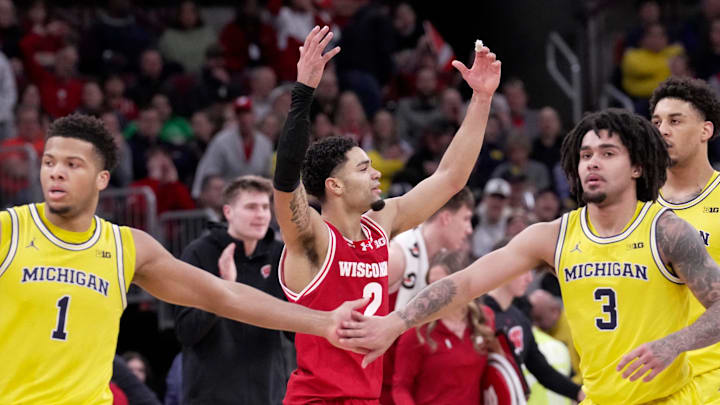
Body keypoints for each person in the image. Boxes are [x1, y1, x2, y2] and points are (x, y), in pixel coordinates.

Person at [339, 108, 720, 405]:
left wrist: (674, 344)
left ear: (637, 165)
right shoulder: (552, 236)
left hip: (668, 397)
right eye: (586, 154)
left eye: (608, 153)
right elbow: (467, 282)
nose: (593, 163)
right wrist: (396, 321)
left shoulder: (666, 230)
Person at [0, 113, 368, 404]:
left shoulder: (128, 247)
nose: (56, 171)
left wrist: (323, 322)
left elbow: (225, 296)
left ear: (102, 178)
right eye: (49, 162)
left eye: (72, 164)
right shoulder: (9, 230)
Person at [274, 26, 500, 403]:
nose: (377, 172)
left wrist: (481, 98)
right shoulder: (311, 237)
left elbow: (450, 178)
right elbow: (285, 180)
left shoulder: (381, 225)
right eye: (363, 169)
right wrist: (305, 91)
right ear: (335, 186)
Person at [175, 175, 289, 404]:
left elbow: (294, 330)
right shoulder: (198, 253)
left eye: (265, 207)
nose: (261, 214)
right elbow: (186, 331)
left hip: (268, 395)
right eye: (251, 207)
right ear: (228, 212)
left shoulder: (281, 254)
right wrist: (223, 288)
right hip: (210, 396)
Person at [650, 76, 720, 405]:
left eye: (675, 121)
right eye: (656, 121)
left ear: (706, 130)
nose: (662, 130)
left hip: (712, 378)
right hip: (655, 378)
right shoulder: (636, 205)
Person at [392, 250, 496, 404]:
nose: (434, 295)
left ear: (463, 284)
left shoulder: (484, 320)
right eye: (430, 286)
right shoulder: (416, 332)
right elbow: (401, 387)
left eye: (441, 286)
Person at [483, 240, 582, 402]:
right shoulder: (477, 316)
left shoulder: (520, 319)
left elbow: (541, 369)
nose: (529, 279)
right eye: (525, 271)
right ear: (503, 267)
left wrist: (578, 393)